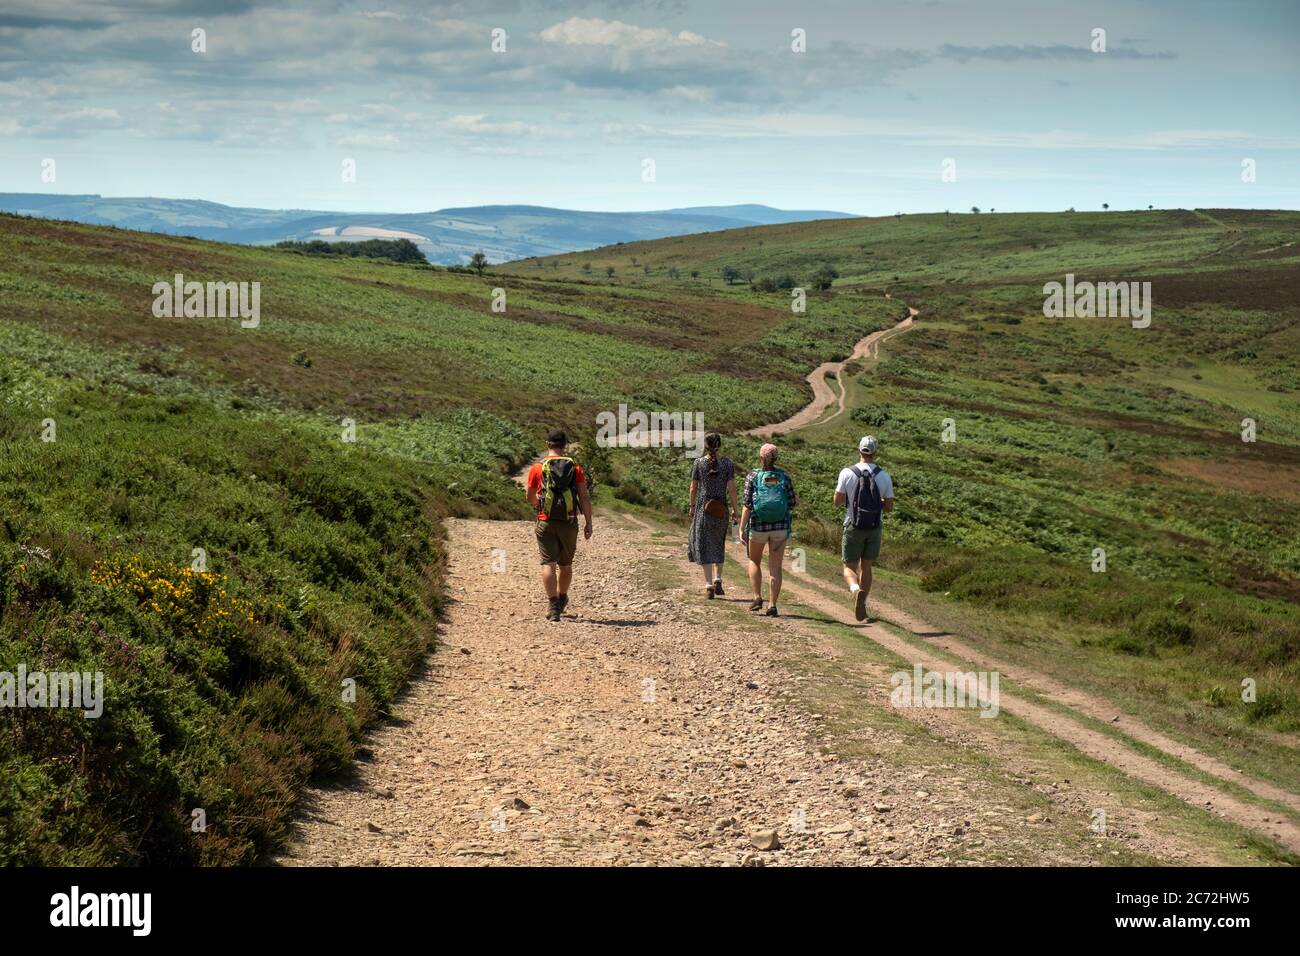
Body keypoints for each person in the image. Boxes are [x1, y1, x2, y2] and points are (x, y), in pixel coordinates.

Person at [525, 430, 593, 622]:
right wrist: (588, 522)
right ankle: (562, 597)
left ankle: (553, 605)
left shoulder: (537, 468)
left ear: (548, 444)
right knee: (566, 564)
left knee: (549, 564)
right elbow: (584, 497)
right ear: (565, 445)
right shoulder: (576, 468)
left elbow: (530, 496)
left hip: (545, 520)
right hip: (569, 522)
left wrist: (539, 506)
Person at [834, 434, 894, 622]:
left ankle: (854, 589)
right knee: (866, 566)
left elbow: (837, 501)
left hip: (853, 524)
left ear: (859, 450)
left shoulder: (847, 472)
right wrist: (877, 503)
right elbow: (890, 507)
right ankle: (864, 602)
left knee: (848, 566)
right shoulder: (884, 476)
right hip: (874, 526)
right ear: (875, 453)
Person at [738, 442, 797, 617]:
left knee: (754, 560)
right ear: (776, 458)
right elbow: (792, 502)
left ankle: (757, 597)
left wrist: (741, 528)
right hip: (780, 527)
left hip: (758, 526)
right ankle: (772, 605)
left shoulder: (753, 475)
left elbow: (747, 504)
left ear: (761, 457)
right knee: (776, 566)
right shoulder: (784, 476)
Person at [687, 432, 739, 599]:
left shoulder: (699, 463)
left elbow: (693, 487)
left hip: (704, 506)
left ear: (705, 445)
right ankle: (718, 579)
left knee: (703, 543)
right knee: (718, 542)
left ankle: (709, 584)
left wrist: (692, 506)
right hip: (721, 507)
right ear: (719, 445)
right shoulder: (727, 464)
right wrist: (735, 509)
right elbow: (732, 489)